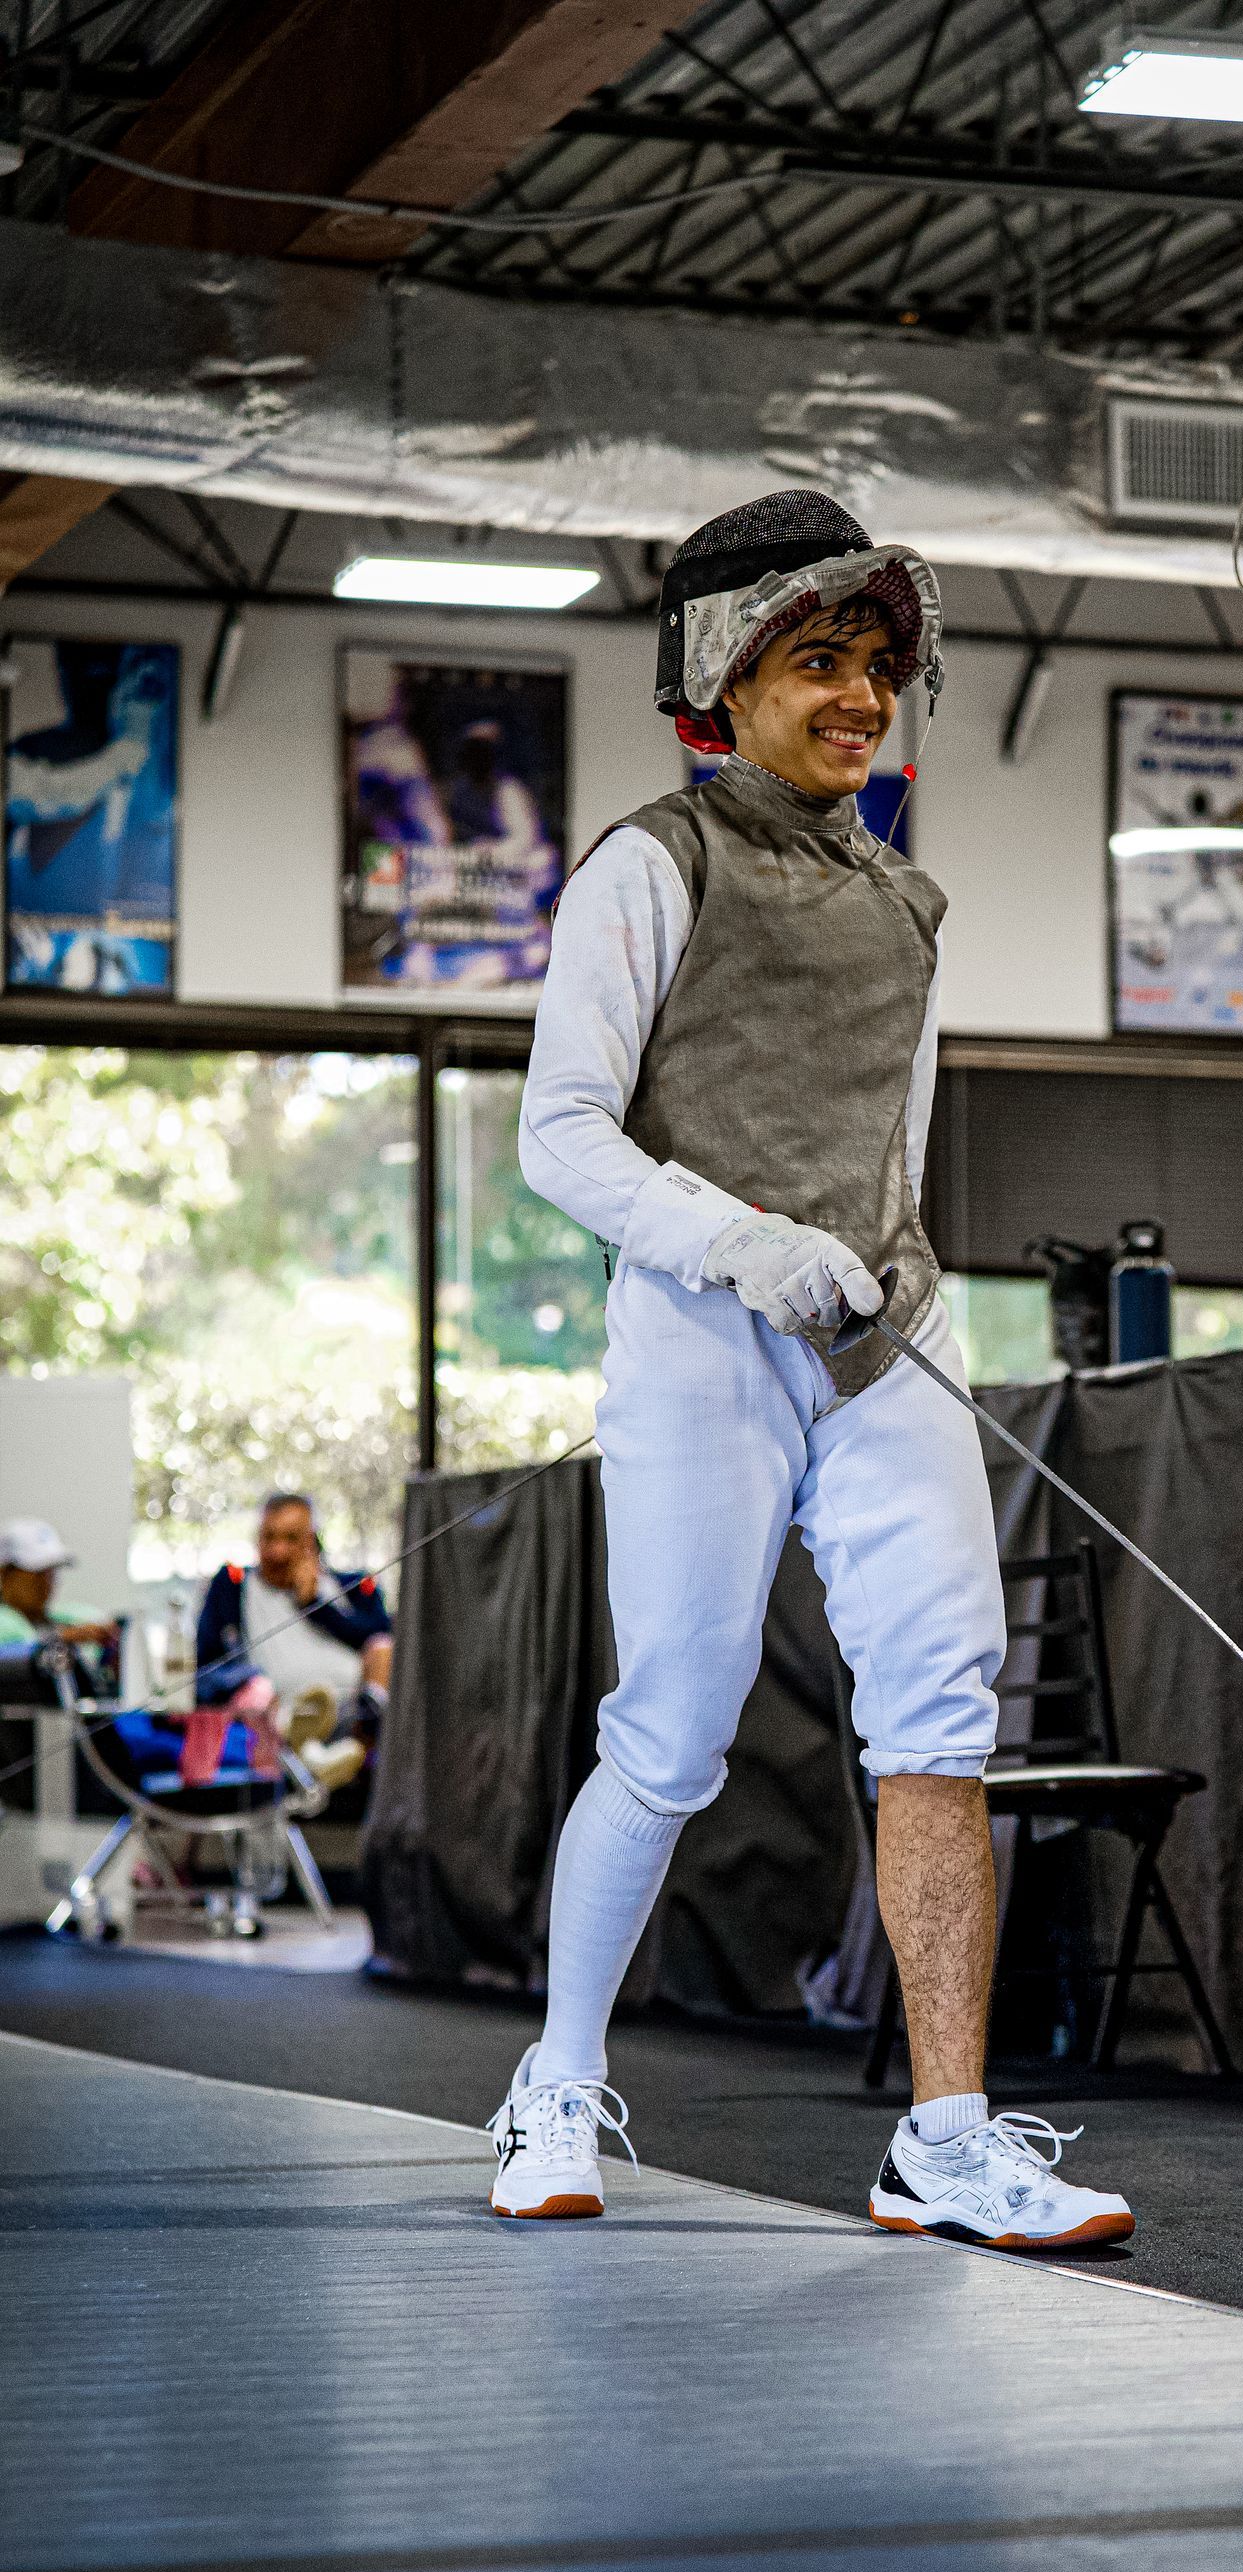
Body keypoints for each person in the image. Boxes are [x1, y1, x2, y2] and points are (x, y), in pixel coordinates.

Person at [489, 488, 1132, 2247]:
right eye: (816, 661)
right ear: (724, 672)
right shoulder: (650, 863)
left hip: (886, 1339)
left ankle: (944, 2131)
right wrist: (746, 1244)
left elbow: (891, 1161)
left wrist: (892, 1287)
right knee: (674, 1730)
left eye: (874, 665)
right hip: (703, 1335)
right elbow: (560, 1135)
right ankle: (554, 2088)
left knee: (940, 1719)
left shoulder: (908, 904)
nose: (857, 695)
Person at [196, 1492, 392, 1790]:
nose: (277, 1551)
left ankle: (355, 1745)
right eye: (268, 1538)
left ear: (312, 1542)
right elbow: (207, 1662)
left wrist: (315, 1605)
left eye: (290, 1539)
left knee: (383, 1649)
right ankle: (313, 1756)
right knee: (265, 1701)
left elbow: (381, 1633)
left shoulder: (351, 1586)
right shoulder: (233, 1585)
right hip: (279, 1714)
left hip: (353, 1715)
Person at [0, 1518, 117, 1652]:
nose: (47, 1582)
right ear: (5, 1573)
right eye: (37, 1572)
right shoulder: (5, 1623)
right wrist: (61, 1639)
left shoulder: (65, 1617)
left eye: (52, 1571)